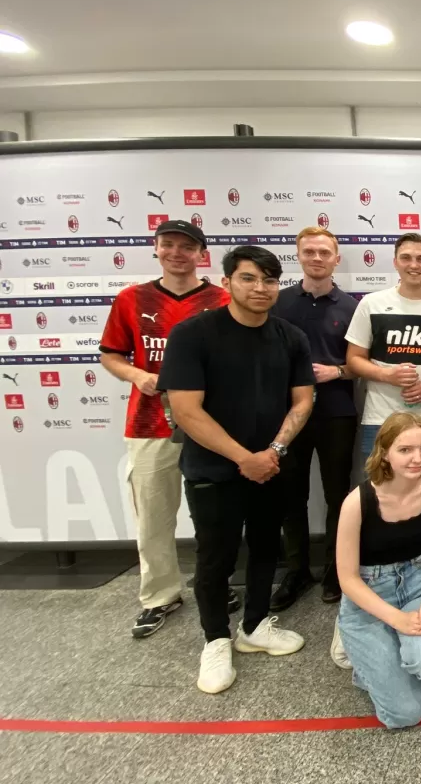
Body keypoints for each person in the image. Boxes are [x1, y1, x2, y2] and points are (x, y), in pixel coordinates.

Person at [158, 246, 315, 695]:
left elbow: (303, 399)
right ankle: (215, 639)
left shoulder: (290, 337)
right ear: (226, 282)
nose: (260, 288)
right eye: (249, 279)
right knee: (215, 558)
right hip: (214, 470)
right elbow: (186, 410)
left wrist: (274, 450)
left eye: (269, 280)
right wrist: (243, 457)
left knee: (267, 548)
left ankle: (255, 625)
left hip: (271, 466)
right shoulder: (193, 335)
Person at [99, 219, 234, 639]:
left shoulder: (223, 299)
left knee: (216, 516)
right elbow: (110, 355)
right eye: (169, 245)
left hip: (212, 425)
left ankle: (217, 584)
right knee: (154, 517)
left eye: (187, 247)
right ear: (156, 249)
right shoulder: (131, 299)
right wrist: (137, 375)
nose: (177, 253)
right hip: (149, 425)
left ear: (202, 255)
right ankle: (160, 595)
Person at [334, 412, 421, 729]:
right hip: (368, 591)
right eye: (405, 450)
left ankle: (390, 655)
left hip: (418, 580)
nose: (418, 458)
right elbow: (347, 579)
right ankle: (362, 645)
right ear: (385, 453)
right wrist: (398, 619)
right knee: (405, 714)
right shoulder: (357, 502)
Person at [270, 227, 359, 610]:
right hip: (287, 414)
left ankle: (335, 571)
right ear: (299, 256)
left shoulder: (353, 307)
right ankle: (296, 571)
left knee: (338, 494)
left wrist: (336, 372)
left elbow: (363, 365)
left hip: (336, 411)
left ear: (336, 259)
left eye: (325, 252)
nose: (317, 258)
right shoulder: (277, 302)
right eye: (310, 252)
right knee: (292, 494)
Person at [345, 233, 421, 468]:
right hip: (379, 420)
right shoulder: (371, 303)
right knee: (378, 494)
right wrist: (386, 375)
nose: (414, 265)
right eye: (406, 258)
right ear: (395, 262)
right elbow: (354, 359)